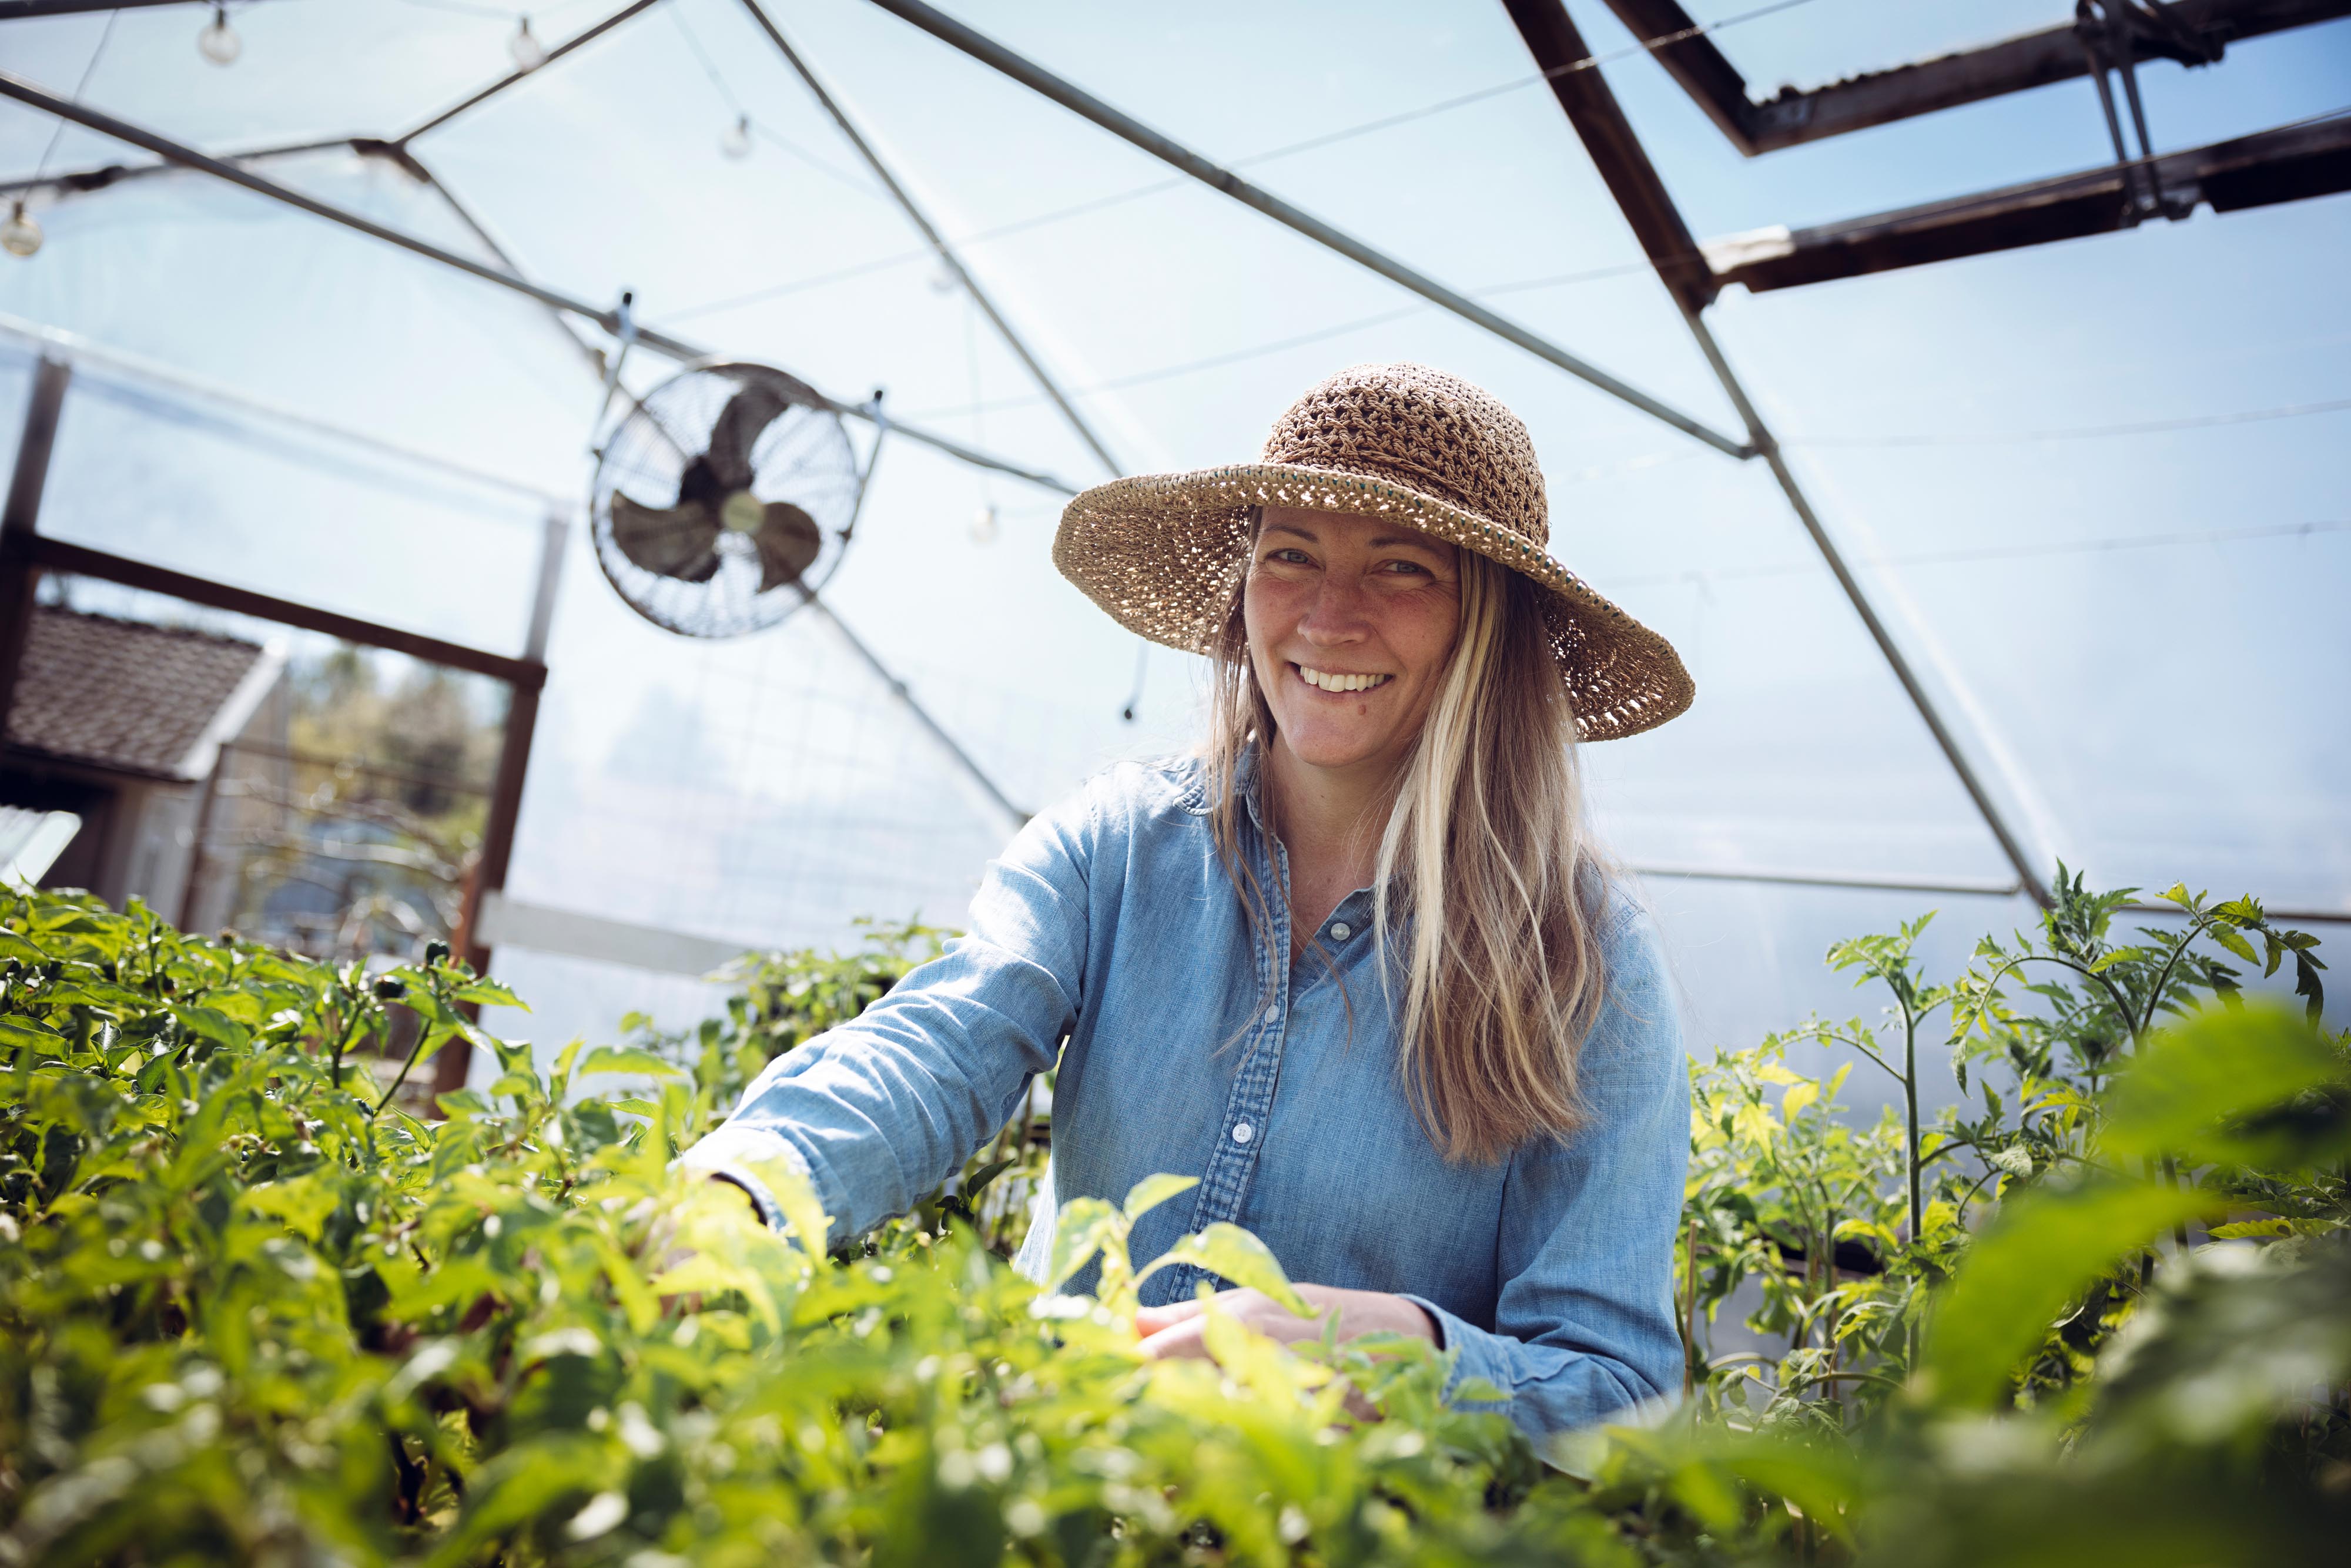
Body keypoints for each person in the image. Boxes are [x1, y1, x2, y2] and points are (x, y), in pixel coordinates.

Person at [682, 363, 1694, 1438]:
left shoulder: (1585, 962)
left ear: (1486, 628)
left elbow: (1620, 1397)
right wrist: (746, 1189)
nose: (1327, 616)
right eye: (1289, 555)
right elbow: (938, 1045)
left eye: (1402, 569)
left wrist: (1397, 1354)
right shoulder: (1120, 847)